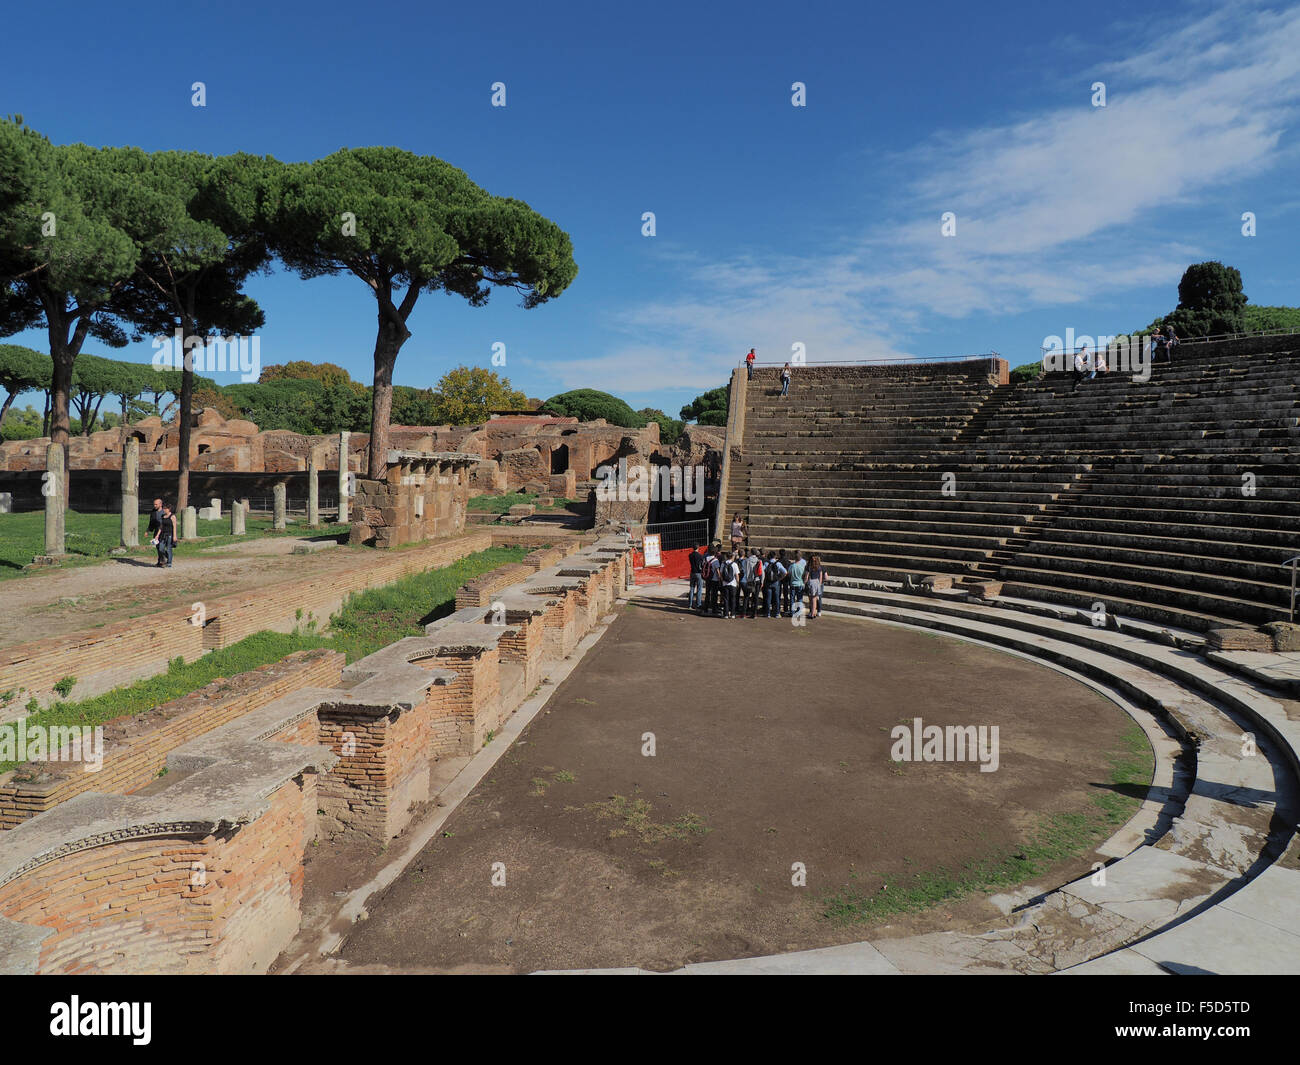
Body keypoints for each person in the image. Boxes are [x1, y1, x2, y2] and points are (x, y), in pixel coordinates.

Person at [154, 503, 179, 568]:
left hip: (170, 535)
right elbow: (161, 527)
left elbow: (174, 526)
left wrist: (175, 536)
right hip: (163, 535)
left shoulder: (172, 516)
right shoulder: (163, 516)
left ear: (169, 509)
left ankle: (169, 562)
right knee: (160, 548)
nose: (164, 510)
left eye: (165, 508)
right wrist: (157, 535)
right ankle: (167, 556)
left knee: (168, 549)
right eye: (164, 508)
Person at [763, 550, 786, 618]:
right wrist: (780, 578)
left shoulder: (766, 563)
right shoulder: (778, 563)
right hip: (776, 582)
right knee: (776, 598)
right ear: (775, 556)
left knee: (768, 598)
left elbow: (763, 571)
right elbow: (785, 572)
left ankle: (768, 614)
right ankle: (777, 613)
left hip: (768, 582)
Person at [742, 546, 762, 618]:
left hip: (749, 580)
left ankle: (744, 614)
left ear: (750, 552)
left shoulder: (747, 560)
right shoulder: (759, 561)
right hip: (757, 580)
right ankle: (754, 614)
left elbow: (746, 571)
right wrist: (761, 581)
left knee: (746, 597)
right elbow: (761, 572)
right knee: (755, 597)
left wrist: (747, 580)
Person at [788, 551, 807, 618]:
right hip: (800, 584)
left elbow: (789, 574)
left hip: (793, 584)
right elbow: (804, 575)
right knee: (799, 599)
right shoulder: (802, 567)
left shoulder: (791, 566)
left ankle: (792, 612)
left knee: (792, 599)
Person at [688, 544, 706, 611]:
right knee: (699, 589)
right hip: (698, 573)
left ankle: (690, 604)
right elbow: (702, 565)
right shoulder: (700, 556)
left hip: (692, 572)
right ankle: (698, 604)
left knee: (692, 588)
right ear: (698, 548)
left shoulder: (690, 555)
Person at [723, 551, 740, 618]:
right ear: (732, 557)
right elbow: (736, 575)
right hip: (733, 584)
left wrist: (722, 581)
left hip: (725, 584)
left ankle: (726, 614)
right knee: (733, 599)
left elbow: (721, 574)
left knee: (726, 599)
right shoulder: (734, 564)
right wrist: (738, 583)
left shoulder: (723, 564)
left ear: (726, 557)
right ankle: (733, 614)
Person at [701, 544, 717, 615]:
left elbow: (702, 565)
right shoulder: (715, 560)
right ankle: (714, 608)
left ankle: (706, 608)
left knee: (707, 594)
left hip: (707, 578)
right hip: (714, 578)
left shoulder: (705, 557)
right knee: (714, 594)